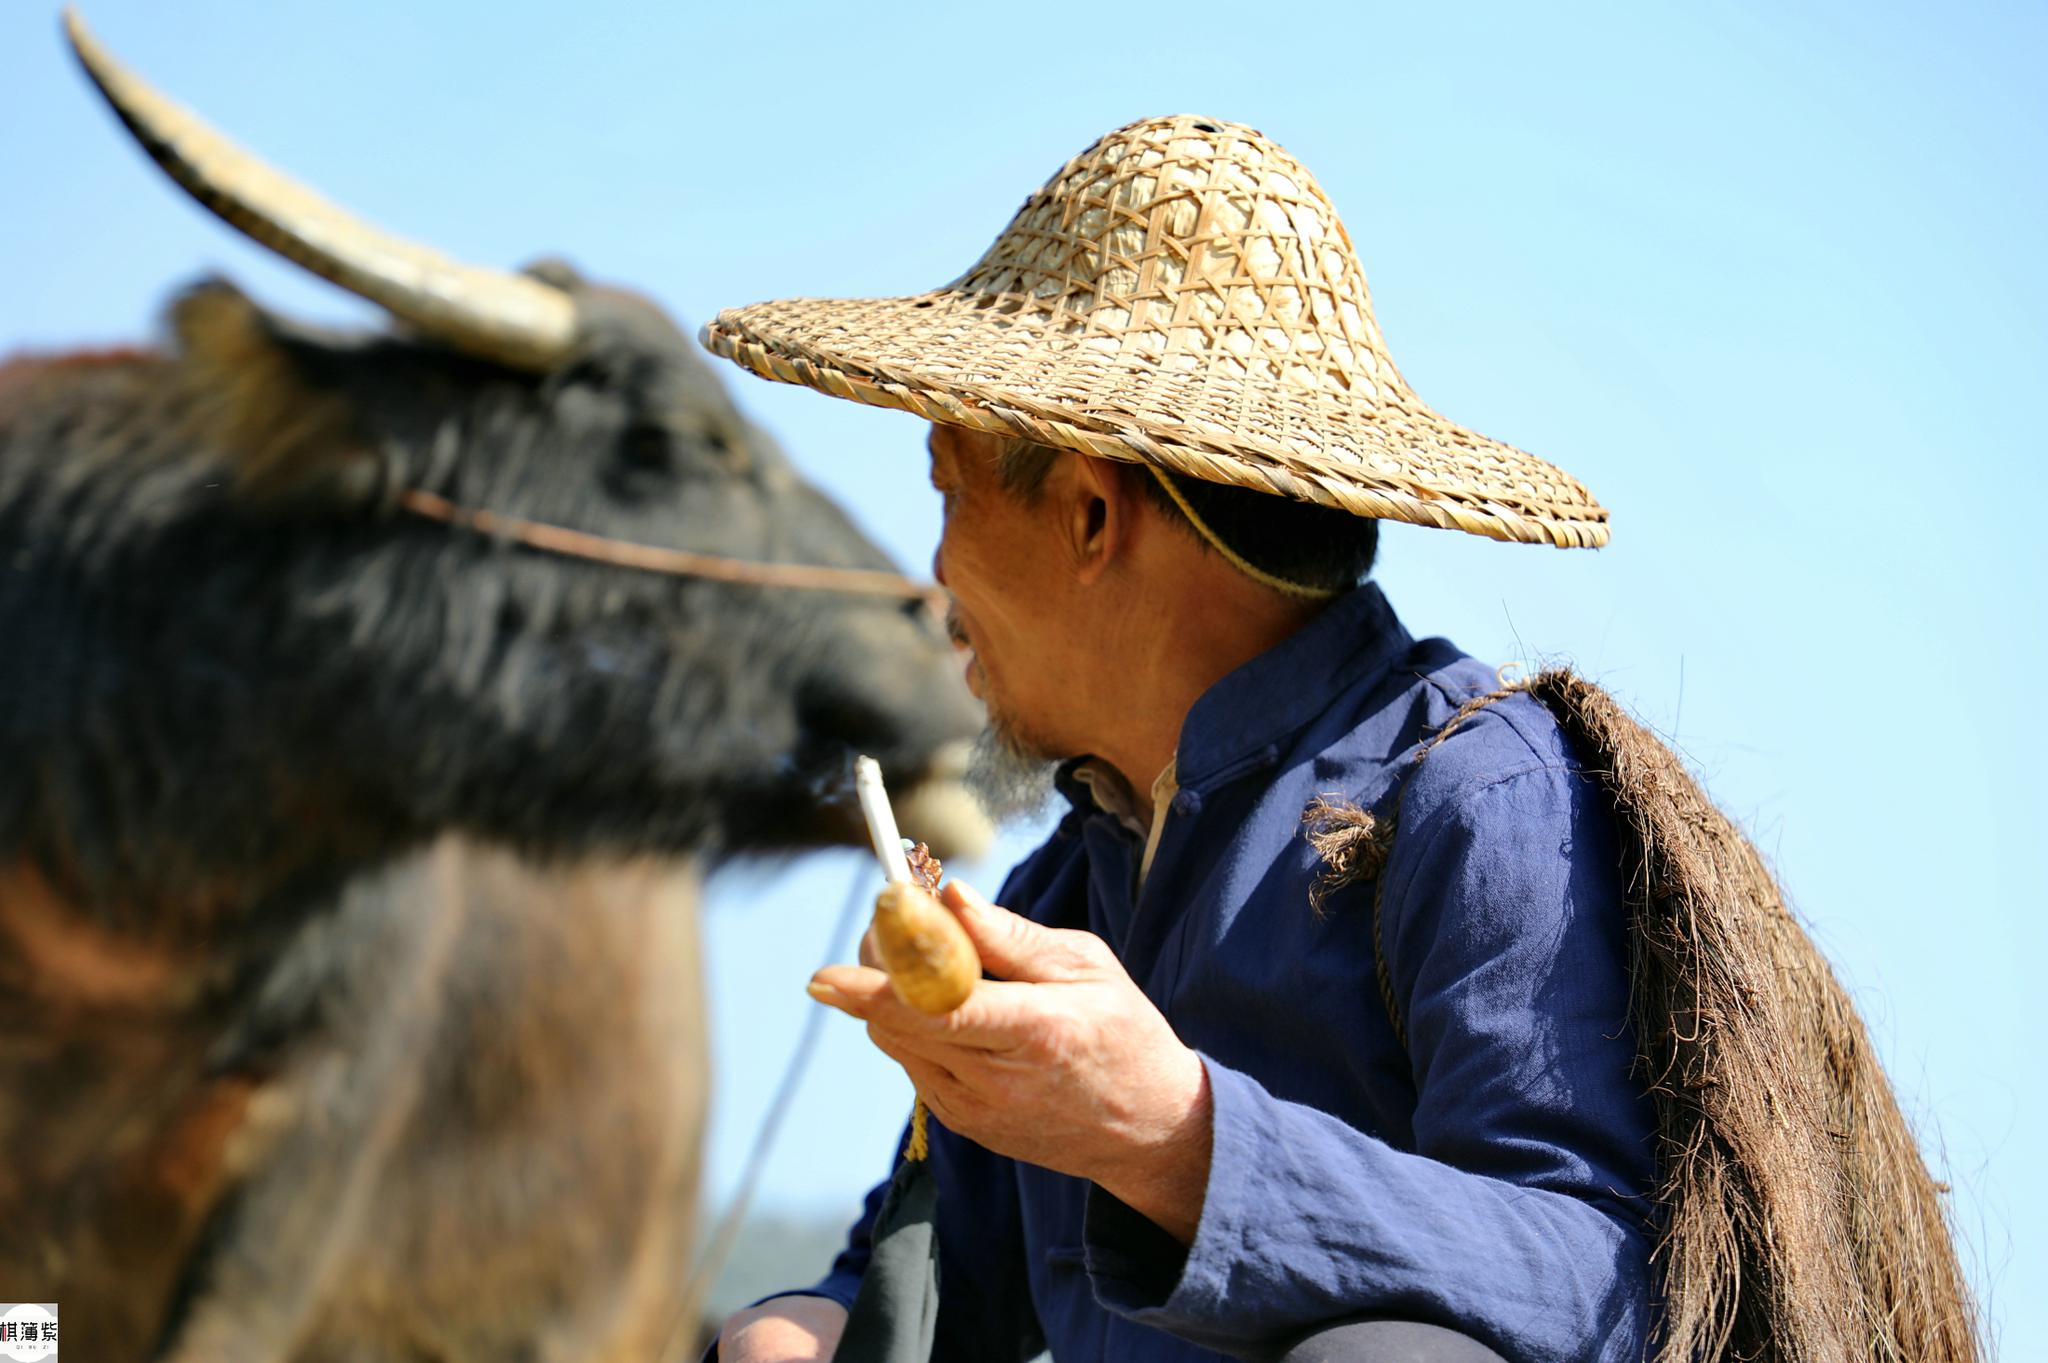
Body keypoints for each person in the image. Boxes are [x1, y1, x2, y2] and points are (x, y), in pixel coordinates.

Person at [702, 115, 1654, 1363]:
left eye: (950, 491)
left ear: (1089, 515)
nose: (936, 580)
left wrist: (1174, 1136)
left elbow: (1602, 1281)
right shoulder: (1064, 889)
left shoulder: (1479, 798)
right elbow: (938, 1281)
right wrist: (809, 1325)